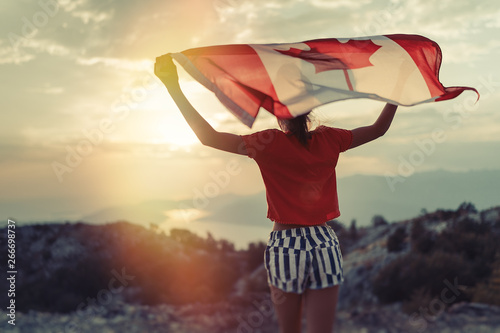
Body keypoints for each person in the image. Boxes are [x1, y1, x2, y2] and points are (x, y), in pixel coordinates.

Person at [154, 54, 398, 333]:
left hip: (286, 244)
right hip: (324, 242)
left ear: (277, 111)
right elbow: (379, 129)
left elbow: (208, 137)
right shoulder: (330, 139)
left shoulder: (267, 144)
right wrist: (396, 94)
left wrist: (172, 84)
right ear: (309, 109)